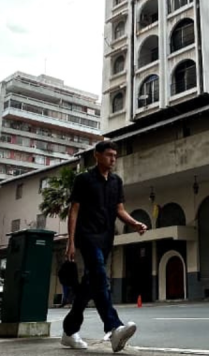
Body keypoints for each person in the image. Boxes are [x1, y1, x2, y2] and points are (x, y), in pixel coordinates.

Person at [61, 141, 147, 351]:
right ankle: (114, 328)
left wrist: (134, 223)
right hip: (87, 235)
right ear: (96, 155)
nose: (113, 159)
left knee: (91, 284)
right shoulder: (84, 179)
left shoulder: (116, 181)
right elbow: (74, 210)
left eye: (115, 156)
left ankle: (69, 331)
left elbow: (119, 209)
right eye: (109, 155)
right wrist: (70, 241)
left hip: (106, 237)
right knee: (100, 274)